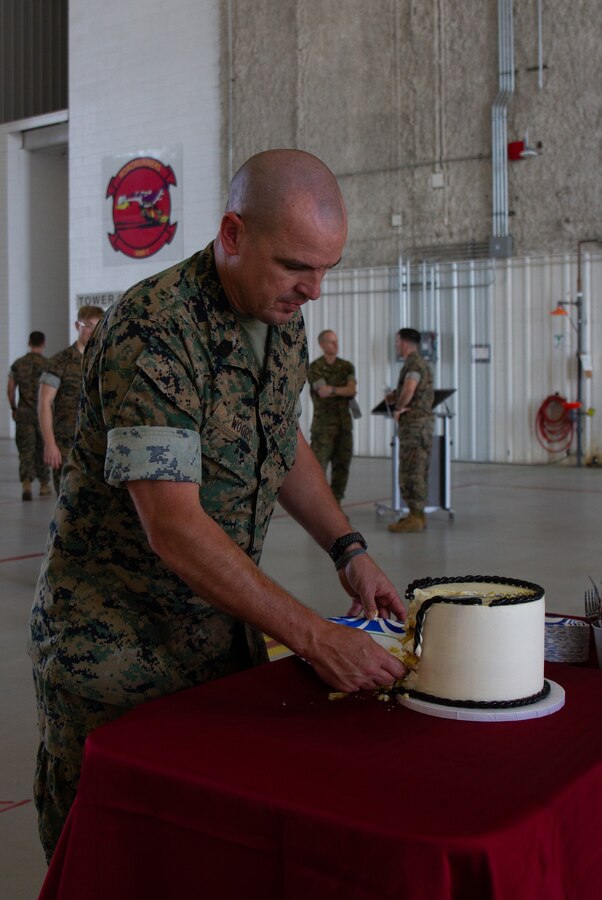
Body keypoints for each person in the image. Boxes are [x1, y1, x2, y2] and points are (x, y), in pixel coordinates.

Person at [28, 149, 407, 862]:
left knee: (205, 861)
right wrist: (317, 637)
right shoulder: (155, 330)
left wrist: (349, 551)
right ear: (232, 235)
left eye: (326, 269)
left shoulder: (278, 316)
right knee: (114, 865)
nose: (314, 290)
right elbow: (173, 526)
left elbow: (281, 439)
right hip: (115, 659)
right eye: (297, 265)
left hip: (213, 646)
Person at [38, 306, 104, 493]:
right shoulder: (60, 361)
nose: (92, 332)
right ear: (78, 326)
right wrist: (50, 444)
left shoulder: (105, 360)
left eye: (97, 327)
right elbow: (44, 403)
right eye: (88, 326)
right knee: (66, 503)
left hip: (98, 445)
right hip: (67, 444)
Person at [386, 327, 434, 533]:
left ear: (404, 343)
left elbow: (410, 387)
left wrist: (398, 406)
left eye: (397, 342)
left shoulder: (413, 364)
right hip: (421, 424)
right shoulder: (421, 363)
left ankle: (415, 516)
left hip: (414, 425)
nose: (396, 346)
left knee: (411, 469)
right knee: (418, 469)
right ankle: (417, 515)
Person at [308, 329, 357, 502]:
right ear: (322, 344)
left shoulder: (346, 366)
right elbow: (322, 392)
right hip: (323, 427)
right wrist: (341, 390)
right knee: (318, 469)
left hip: (344, 425)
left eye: (336, 341)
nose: (336, 345)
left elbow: (352, 389)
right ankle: (320, 505)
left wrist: (333, 389)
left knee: (342, 467)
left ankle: (336, 504)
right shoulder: (315, 367)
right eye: (331, 342)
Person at [6, 331, 51, 500]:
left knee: (26, 449)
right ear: (43, 343)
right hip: (42, 414)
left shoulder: (18, 364)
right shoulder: (48, 364)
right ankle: (45, 484)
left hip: (24, 413)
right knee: (43, 448)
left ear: (29, 342)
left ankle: (26, 483)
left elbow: (10, 389)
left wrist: (14, 407)